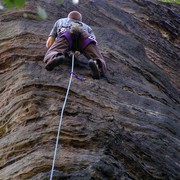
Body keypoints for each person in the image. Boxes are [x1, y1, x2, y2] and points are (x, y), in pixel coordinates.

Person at [44, 11, 107, 79]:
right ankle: (97, 64)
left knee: (54, 50)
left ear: (69, 17)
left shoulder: (61, 21)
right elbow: (94, 43)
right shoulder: (87, 27)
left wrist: (53, 47)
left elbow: (49, 43)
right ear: (80, 20)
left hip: (67, 35)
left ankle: (55, 56)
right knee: (97, 55)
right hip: (85, 37)